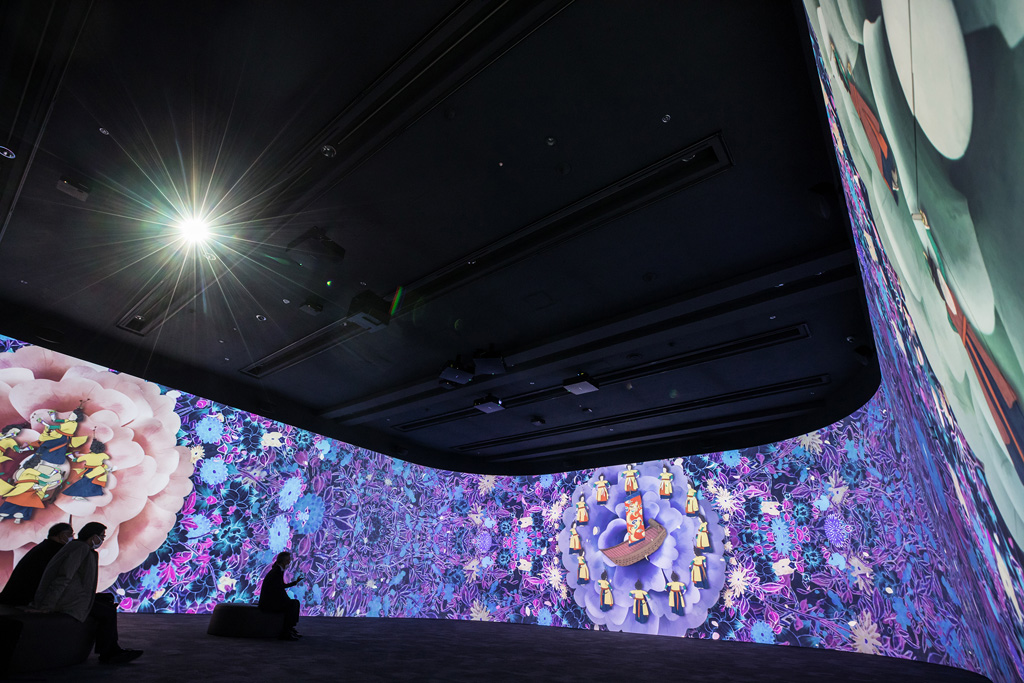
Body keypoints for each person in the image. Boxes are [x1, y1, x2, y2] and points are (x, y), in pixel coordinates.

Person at [33, 522, 143, 664]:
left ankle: (110, 650)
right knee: (107, 612)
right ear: (93, 536)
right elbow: (64, 577)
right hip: (67, 601)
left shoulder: (81, 549)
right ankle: (109, 652)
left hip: (72, 598)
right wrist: (47, 605)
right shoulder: (80, 549)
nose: (102, 540)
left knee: (106, 603)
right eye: (101, 536)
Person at [0, 522, 73, 605]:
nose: (72, 537)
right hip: (24, 599)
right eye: (70, 534)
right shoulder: (54, 550)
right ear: (63, 535)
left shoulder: (45, 547)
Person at [259, 551, 303, 640]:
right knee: (292, 605)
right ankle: (286, 631)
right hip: (269, 602)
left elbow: (280, 586)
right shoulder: (276, 572)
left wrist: (294, 583)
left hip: (271, 600)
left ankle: (289, 629)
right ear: (284, 561)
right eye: (288, 560)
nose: (289, 562)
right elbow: (278, 589)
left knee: (294, 603)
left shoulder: (278, 570)